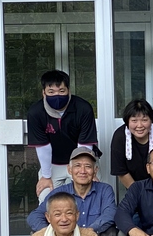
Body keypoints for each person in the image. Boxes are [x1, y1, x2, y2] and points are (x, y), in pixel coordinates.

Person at [27, 146, 119, 236]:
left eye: (88, 166)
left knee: (111, 233)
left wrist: (87, 232)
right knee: (40, 233)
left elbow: (111, 213)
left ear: (95, 171)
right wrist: (50, 231)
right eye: (77, 166)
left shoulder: (104, 190)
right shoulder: (59, 192)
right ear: (69, 170)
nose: (82, 171)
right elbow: (34, 216)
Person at [27, 70, 99, 203]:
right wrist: (46, 176)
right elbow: (43, 147)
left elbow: (84, 145)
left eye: (61, 91)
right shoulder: (35, 112)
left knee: (88, 199)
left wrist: (86, 170)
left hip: (80, 160)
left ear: (68, 90)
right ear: (44, 93)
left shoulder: (83, 108)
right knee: (46, 198)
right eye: (51, 92)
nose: (57, 95)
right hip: (52, 164)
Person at [110, 99, 153, 189]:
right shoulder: (120, 137)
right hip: (133, 187)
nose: (139, 125)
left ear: (151, 120)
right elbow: (121, 171)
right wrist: (137, 192)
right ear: (127, 122)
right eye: (134, 120)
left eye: (144, 120)